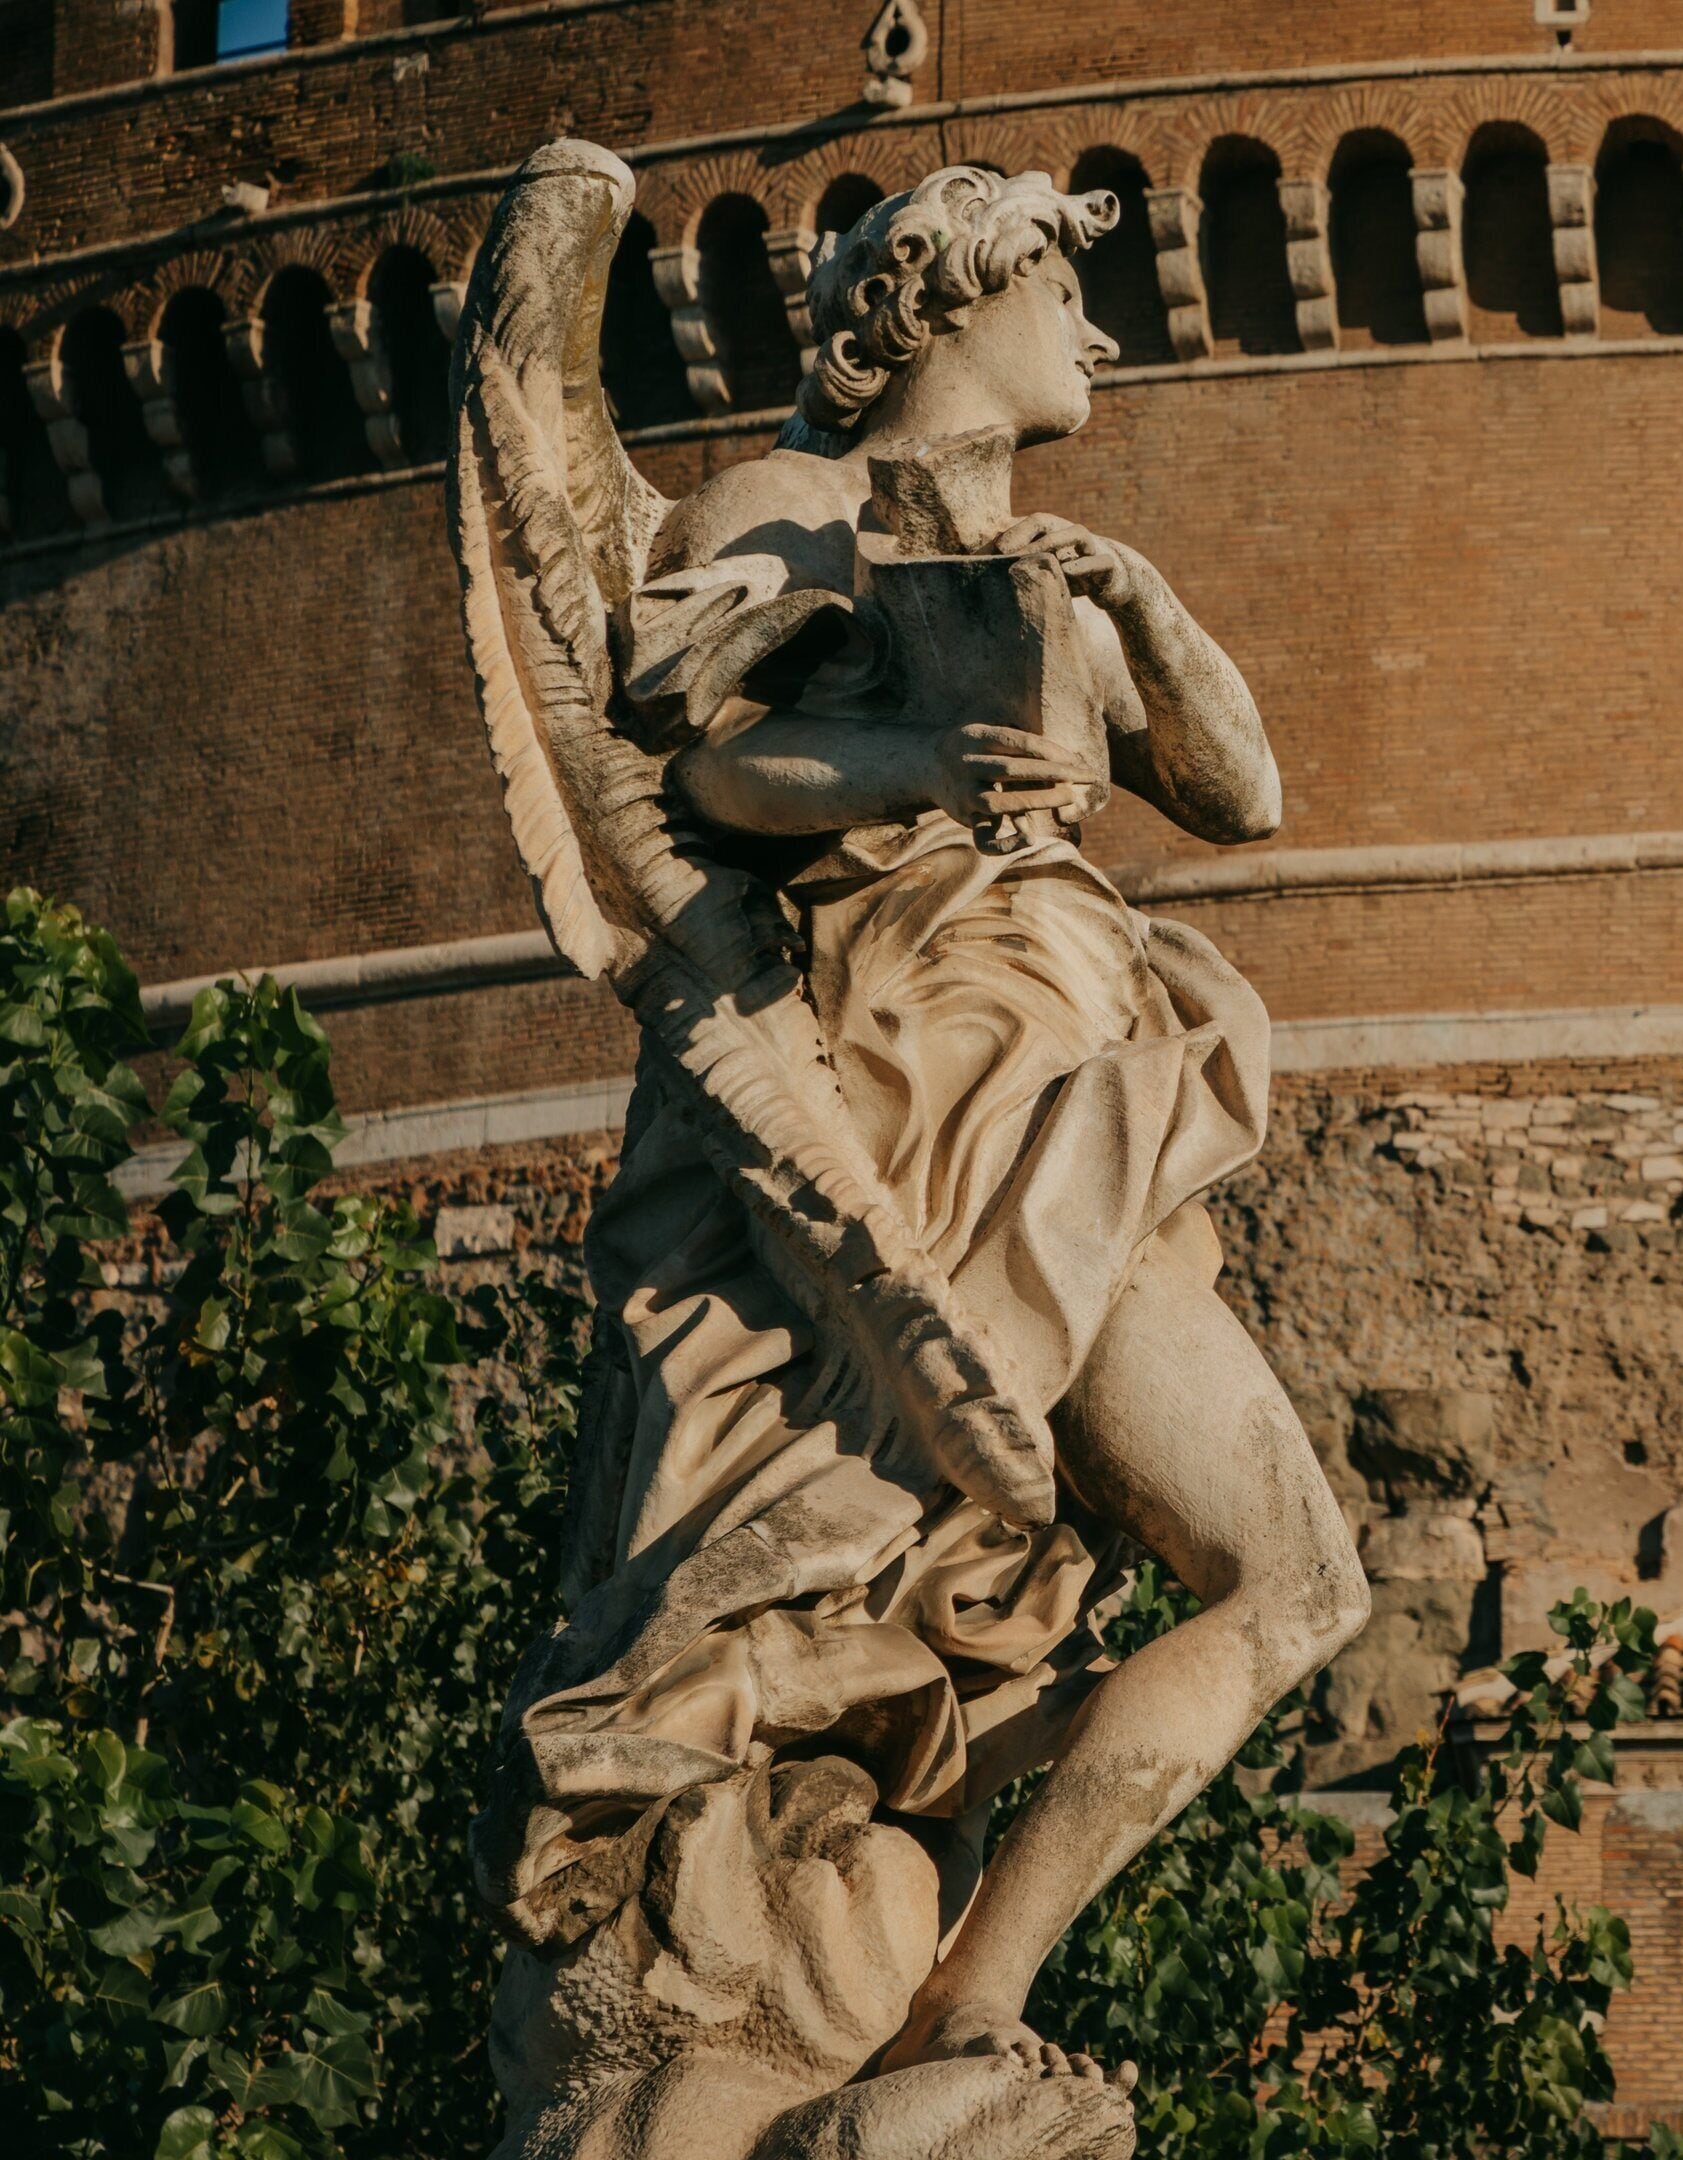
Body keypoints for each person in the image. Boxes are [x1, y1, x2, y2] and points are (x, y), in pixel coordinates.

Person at [478, 163, 1370, 2094]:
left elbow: (1247, 798)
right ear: (956, 292)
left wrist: (1136, 601)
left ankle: (980, 1991)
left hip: (1082, 1094)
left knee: (1297, 1581)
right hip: (896, 1098)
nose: (1099, 334)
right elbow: (702, 748)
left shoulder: (1052, 558)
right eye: (1065, 288)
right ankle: (889, 1988)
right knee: (845, 1570)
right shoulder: (780, 509)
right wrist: (918, 758)